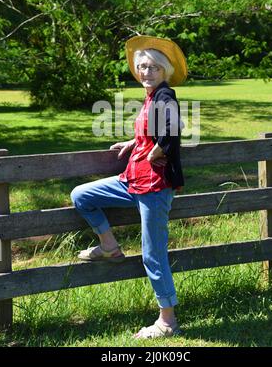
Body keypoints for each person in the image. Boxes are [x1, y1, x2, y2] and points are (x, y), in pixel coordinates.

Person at [70, 35, 187, 339]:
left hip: (154, 188)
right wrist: (135, 141)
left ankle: (167, 321)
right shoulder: (151, 97)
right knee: (81, 195)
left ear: (164, 71)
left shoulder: (165, 96)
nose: (146, 72)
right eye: (142, 67)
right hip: (131, 181)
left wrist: (158, 151)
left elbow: (173, 131)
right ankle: (109, 246)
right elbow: (153, 129)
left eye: (153, 68)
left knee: (153, 254)